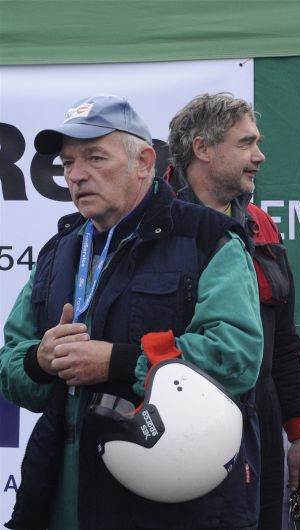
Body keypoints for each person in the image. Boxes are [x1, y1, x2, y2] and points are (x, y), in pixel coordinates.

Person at [0, 94, 264, 530]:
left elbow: (235, 355)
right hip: (61, 492)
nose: (76, 175)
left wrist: (118, 362)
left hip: (172, 503)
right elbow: (11, 361)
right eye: (68, 163)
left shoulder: (207, 237)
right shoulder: (59, 252)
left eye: (94, 158)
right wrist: (39, 360)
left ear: (144, 162)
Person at [166, 93, 300, 529]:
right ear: (202, 148)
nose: (260, 156)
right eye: (246, 143)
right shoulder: (155, 223)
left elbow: (283, 337)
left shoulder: (260, 224)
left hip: (261, 420)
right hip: (179, 425)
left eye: (258, 142)